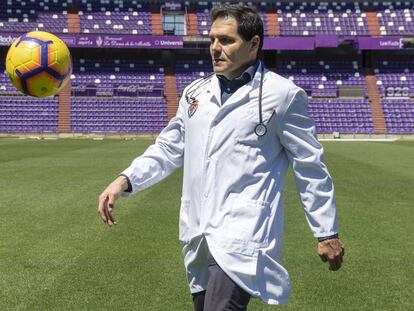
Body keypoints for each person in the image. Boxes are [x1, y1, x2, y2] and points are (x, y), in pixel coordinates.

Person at [98, 4, 344, 310]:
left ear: (254, 44)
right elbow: (168, 148)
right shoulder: (194, 93)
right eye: (212, 39)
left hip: (243, 232)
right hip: (198, 231)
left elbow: (310, 167)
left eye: (226, 40)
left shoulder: (283, 96)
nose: (215, 48)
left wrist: (326, 231)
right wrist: (125, 180)